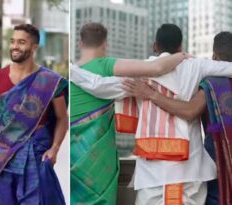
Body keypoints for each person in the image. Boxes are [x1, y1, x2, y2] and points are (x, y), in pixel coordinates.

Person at [71, 24, 232, 204]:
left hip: (152, 173)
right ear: (180, 47)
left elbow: (98, 86)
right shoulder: (197, 66)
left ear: (155, 46)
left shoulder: (140, 74)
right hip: (191, 170)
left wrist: (74, 71)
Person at [123, 31, 232, 205]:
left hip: (220, 163)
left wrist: (150, 94)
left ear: (214, 55)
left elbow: (190, 111)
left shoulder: (212, 84)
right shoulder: (212, 72)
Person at [70, 22, 188, 205]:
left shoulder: (71, 74)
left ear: (80, 43)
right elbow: (156, 68)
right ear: (105, 44)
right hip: (97, 162)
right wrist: (182, 56)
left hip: (70, 154)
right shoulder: (106, 66)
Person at [0, 24, 68, 205]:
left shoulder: (50, 81)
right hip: (3, 155)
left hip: (36, 151)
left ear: (34, 47)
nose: (15, 46)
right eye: (12, 41)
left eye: (21, 42)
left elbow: (62, 117)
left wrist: (55, 148)